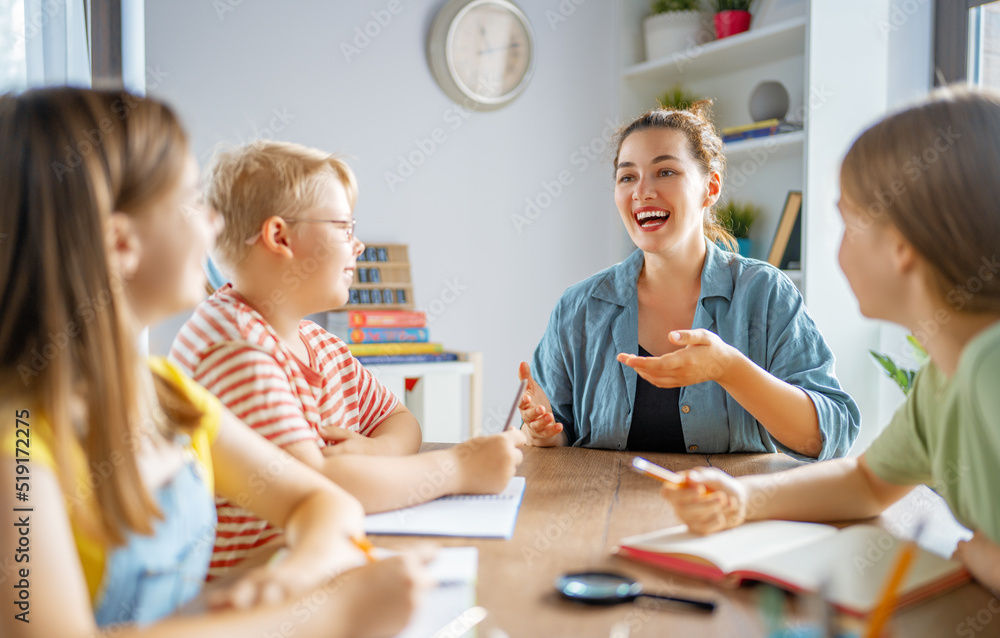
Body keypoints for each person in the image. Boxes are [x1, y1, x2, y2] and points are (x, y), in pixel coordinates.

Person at [0, 87, 427, 638]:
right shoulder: (18, 464)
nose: (214, 225)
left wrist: (290, 578)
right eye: (189, 202)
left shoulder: (166, 393)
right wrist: (326, 617)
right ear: (121, 243)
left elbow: (322, 503)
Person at [654, 88, 1000, 590]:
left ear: (901, 247)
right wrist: (744, 499)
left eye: (849, 222)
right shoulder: (943, 380)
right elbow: (868, 483)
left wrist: (986, 558)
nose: (837, 249)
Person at [169, 140, 525, 577]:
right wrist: (459, 467)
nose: (357, 245)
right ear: (279, 236)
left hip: (314, 561)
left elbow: (399, 417)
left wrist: (379, 451)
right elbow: (317, 484)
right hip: (255, 590)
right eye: (343, 226)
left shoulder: (320, 344)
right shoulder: (235, 348)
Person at [517, 102, 860, 460]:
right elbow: (554, 434)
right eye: (627, 176)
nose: (642, 192)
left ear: (710, 188)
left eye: (665, 172)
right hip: (600, 512)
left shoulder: (765, 294)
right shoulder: (579, 307)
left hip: (721, 512)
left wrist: (729, 369)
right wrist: (542, 433)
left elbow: (829, 434)